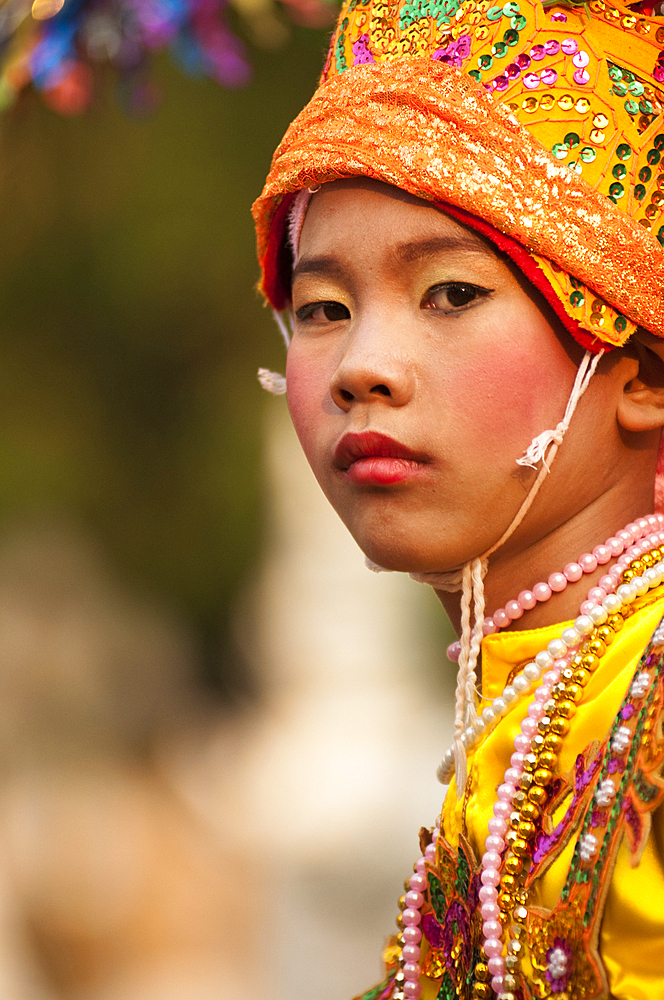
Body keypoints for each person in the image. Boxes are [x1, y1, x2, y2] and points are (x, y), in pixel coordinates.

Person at [252, 0, 664, 996]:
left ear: (641, 370)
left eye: (450, 293)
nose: (363, 368)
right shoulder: (525, 717)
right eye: (321, 309)